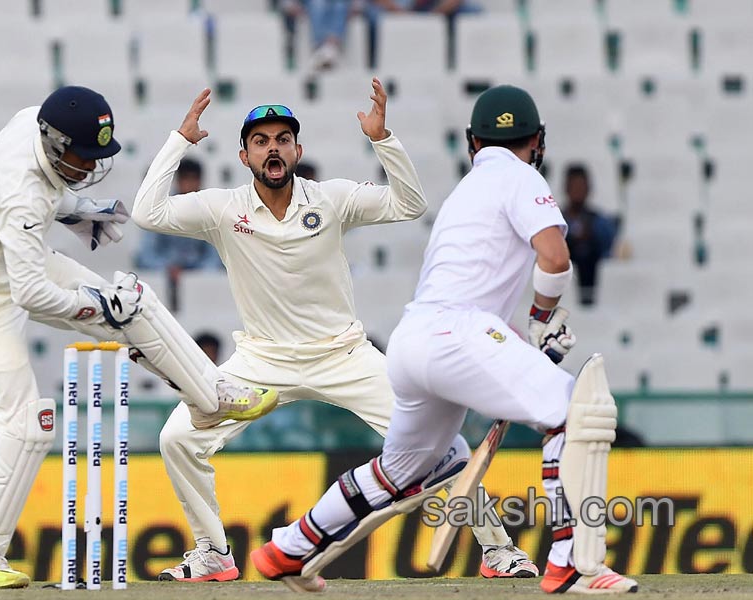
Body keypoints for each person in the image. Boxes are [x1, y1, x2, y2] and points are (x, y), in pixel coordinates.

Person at [132, 79, 537, 583]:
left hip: (343, 355)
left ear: (297, 150)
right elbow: (146, 213)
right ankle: (214, 553)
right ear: (244, 155)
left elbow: (409, 205)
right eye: (261, 141)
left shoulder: (331, 199)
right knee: (176, 439)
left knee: (437, 444)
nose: (272, 148)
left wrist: (383, 138)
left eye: (282, 139)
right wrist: (179, 140)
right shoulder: (223, 208)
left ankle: (498, 551)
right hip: (261, 362)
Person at [250, 85, 638, 594]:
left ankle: (287, 549)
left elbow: (481, 290)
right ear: (538, 140)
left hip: (414, 343)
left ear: (472, 142)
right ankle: (572, 564)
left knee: (400, 470)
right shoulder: (522, 177)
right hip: (461, 335)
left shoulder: (466, 191)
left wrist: (525, 337)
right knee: (573, 413)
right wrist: (544, 317)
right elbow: (555, 257)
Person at [0, 85, 277, 589]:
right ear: (52, 144)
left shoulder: (35, 121)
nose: (89, 164)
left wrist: (78, 210)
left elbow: (46, 197)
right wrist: (97, 306)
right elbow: (31, 293)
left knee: (136, 299)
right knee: (29, 424)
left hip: (16, 261)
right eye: (81, 157)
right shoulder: (21, 196)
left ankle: (210, 397)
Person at [135, 158, 223, 276]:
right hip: (163, 273)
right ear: (178, 180)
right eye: (186, 178)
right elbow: (147, 253)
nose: (190, 184)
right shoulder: (161, 208)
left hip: (197, 276)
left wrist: (194, 274)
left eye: (194, 179)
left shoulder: (209, 210)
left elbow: (214, 256)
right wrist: (167, 269)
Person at [560, 163, 617, 306]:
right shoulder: (556, 222)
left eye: (581, 186)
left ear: (588, 189)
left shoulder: (601, 222)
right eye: (574, 187)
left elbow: (609, 253)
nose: (578, 191)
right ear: (566, 188)